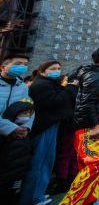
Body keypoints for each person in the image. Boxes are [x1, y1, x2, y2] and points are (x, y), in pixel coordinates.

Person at [60, 47, 99, 205]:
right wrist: (93, 125)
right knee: (96, 163)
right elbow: (87, 102)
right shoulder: (95, 75)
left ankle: (90, 199)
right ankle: (70, 202)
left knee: (97, 165)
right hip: (91, 126)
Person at [21, 61, 72, 205]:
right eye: (53, 69)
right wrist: (66, 89)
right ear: (42, 71)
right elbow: (55, 102)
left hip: (52, 125)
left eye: (58, 68)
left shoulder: (49, 84)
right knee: (40, 162)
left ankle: (38, 194)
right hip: (44, 126)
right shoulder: (41, 85)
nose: (57, 71)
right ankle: (33, 197)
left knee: (46, 161)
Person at [0, 101, 34, 204]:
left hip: (19, 174)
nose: (27, 116)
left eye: (29, 114)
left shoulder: (25, 135)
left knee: (14, 196)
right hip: (6, 175)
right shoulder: (8, 139)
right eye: (24, 114)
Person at [53, 72, 79, 194]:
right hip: (69, 125)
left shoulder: (65, 90)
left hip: (68, 125)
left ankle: (66, 180)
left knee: (69, 154)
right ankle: (66, 180)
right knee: (68, 154)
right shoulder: (70, 91)